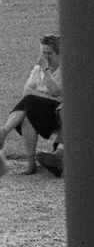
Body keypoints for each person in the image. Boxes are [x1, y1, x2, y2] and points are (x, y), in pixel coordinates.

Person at [1, 33, 63, 175]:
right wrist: (43, 96)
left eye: (49, 53)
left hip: (58, 113)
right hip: (41, 111)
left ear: (59, 54)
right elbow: (26, 90)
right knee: (28, 117)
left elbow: (57, 94)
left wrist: (46, 71)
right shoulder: (37, 69)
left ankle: (4, 131)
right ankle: (31, 163)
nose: (45, 57)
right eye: (43, 52)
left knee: (30, 102)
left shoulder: (63, 69)